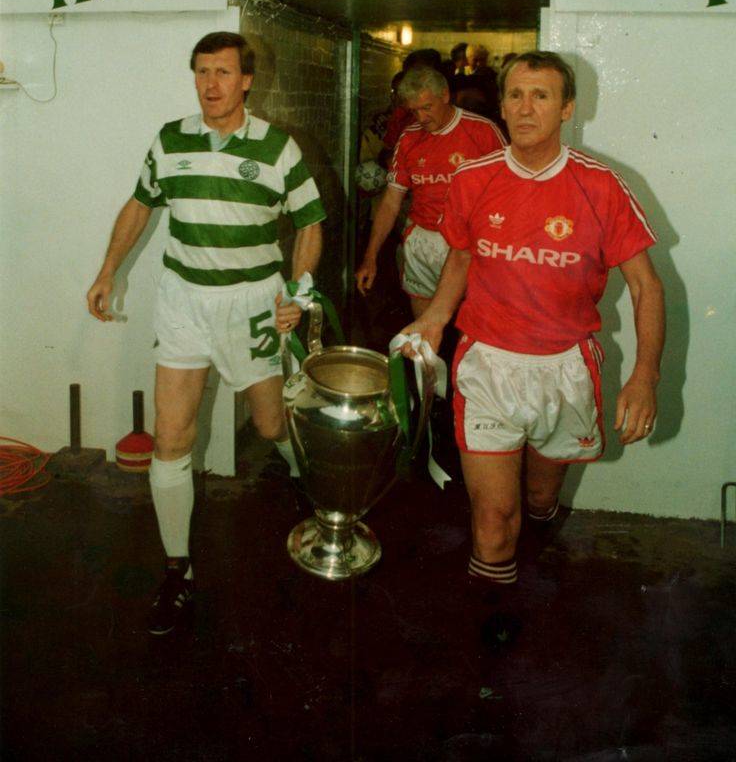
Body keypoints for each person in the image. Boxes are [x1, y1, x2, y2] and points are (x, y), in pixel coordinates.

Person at [401, 50, 665, 646]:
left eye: (541, 96)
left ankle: (533, 559)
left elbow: (647, 286)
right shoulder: (474, 180)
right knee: (493, 523)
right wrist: (437, 319)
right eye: (516, 95)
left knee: (539, 500)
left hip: (565, 370)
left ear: (568, 108)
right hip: (488, 366)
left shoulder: (601, 187)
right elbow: (461, 256)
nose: (525, 108)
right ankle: (487, 650)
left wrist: (645, 376)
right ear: (502, 103)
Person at [86, 31, 325, 635]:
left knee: (272, 424)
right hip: (183, 301)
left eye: (223, 73)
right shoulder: (171, 140)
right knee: (172, 436)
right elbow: (140, 206)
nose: (210, 84)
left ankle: (304, 479)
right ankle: (177, 571)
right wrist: (108, 270)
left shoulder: (277, 147)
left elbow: (309, 222)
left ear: (247, 80)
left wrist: (298, 294)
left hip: (253, 305)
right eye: (201, 72)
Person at [355, 66, 506, 319]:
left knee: (472, 326)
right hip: (422, 241)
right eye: (414, 110)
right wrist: (371, 256)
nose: (421, 117)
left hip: (469, 244)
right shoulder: (409, 138)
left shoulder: (483, 131)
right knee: (424, 333)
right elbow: (392, 201)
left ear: (445, 95)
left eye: (427, 107)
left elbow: (508, 194)